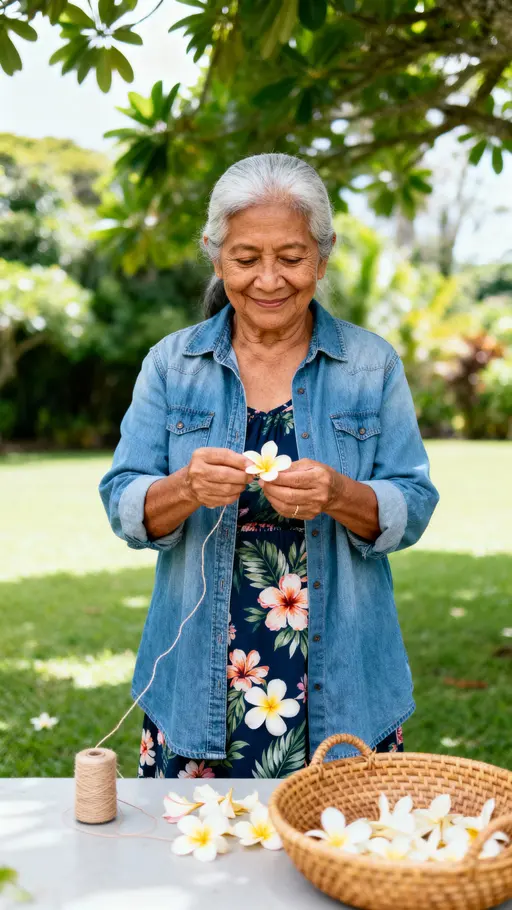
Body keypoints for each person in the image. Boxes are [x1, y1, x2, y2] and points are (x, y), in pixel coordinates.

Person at [99, 153, 439, 779]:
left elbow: (413, 504)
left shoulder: (371, 365)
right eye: (246, 259)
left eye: (291, 257)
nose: (269, 280)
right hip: (201, 673)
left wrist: (340, 493)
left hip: (342, 680)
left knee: (335, 852)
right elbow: (123, 501)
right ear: (214, 254)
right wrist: (184, 487)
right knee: (202, 856)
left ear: (323, 254)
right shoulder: (172, 365)